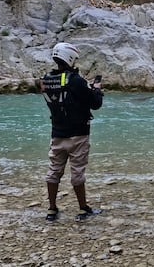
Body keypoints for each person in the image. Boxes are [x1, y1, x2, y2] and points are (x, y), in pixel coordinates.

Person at [40, 42, 104, 221]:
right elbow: (95, 103)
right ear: (69, 58)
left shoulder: (45, 79)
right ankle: (83, 209)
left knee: (54, 171)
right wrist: (97, 90)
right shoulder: (75, 80)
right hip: (78, 134)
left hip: (57, 134)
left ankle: (52, 209)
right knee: (77, 172)